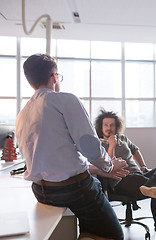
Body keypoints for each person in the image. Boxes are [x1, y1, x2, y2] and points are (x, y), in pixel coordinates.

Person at [15, 54, 129, 240]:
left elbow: (53, 162)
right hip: (72, 191)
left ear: (30, 82)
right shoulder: (64, 100)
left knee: (96, 184)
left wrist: (97, 170)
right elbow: (89, 146)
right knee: (115, 236)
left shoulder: (22, 114)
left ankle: (87, 234)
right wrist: (108, 166)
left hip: (41, 192)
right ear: (54, 77)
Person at [89, 108, 156, 240]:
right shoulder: (98, 143)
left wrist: (143, 166)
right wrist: (111, 146)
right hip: (121, 179)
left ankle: (150, 183)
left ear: (116, 126)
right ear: (100, 127)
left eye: (112, 125)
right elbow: (107, 166)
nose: (109, 128)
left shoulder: (123, 138)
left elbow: (135, 150)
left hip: (140, 176)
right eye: (106, 125)